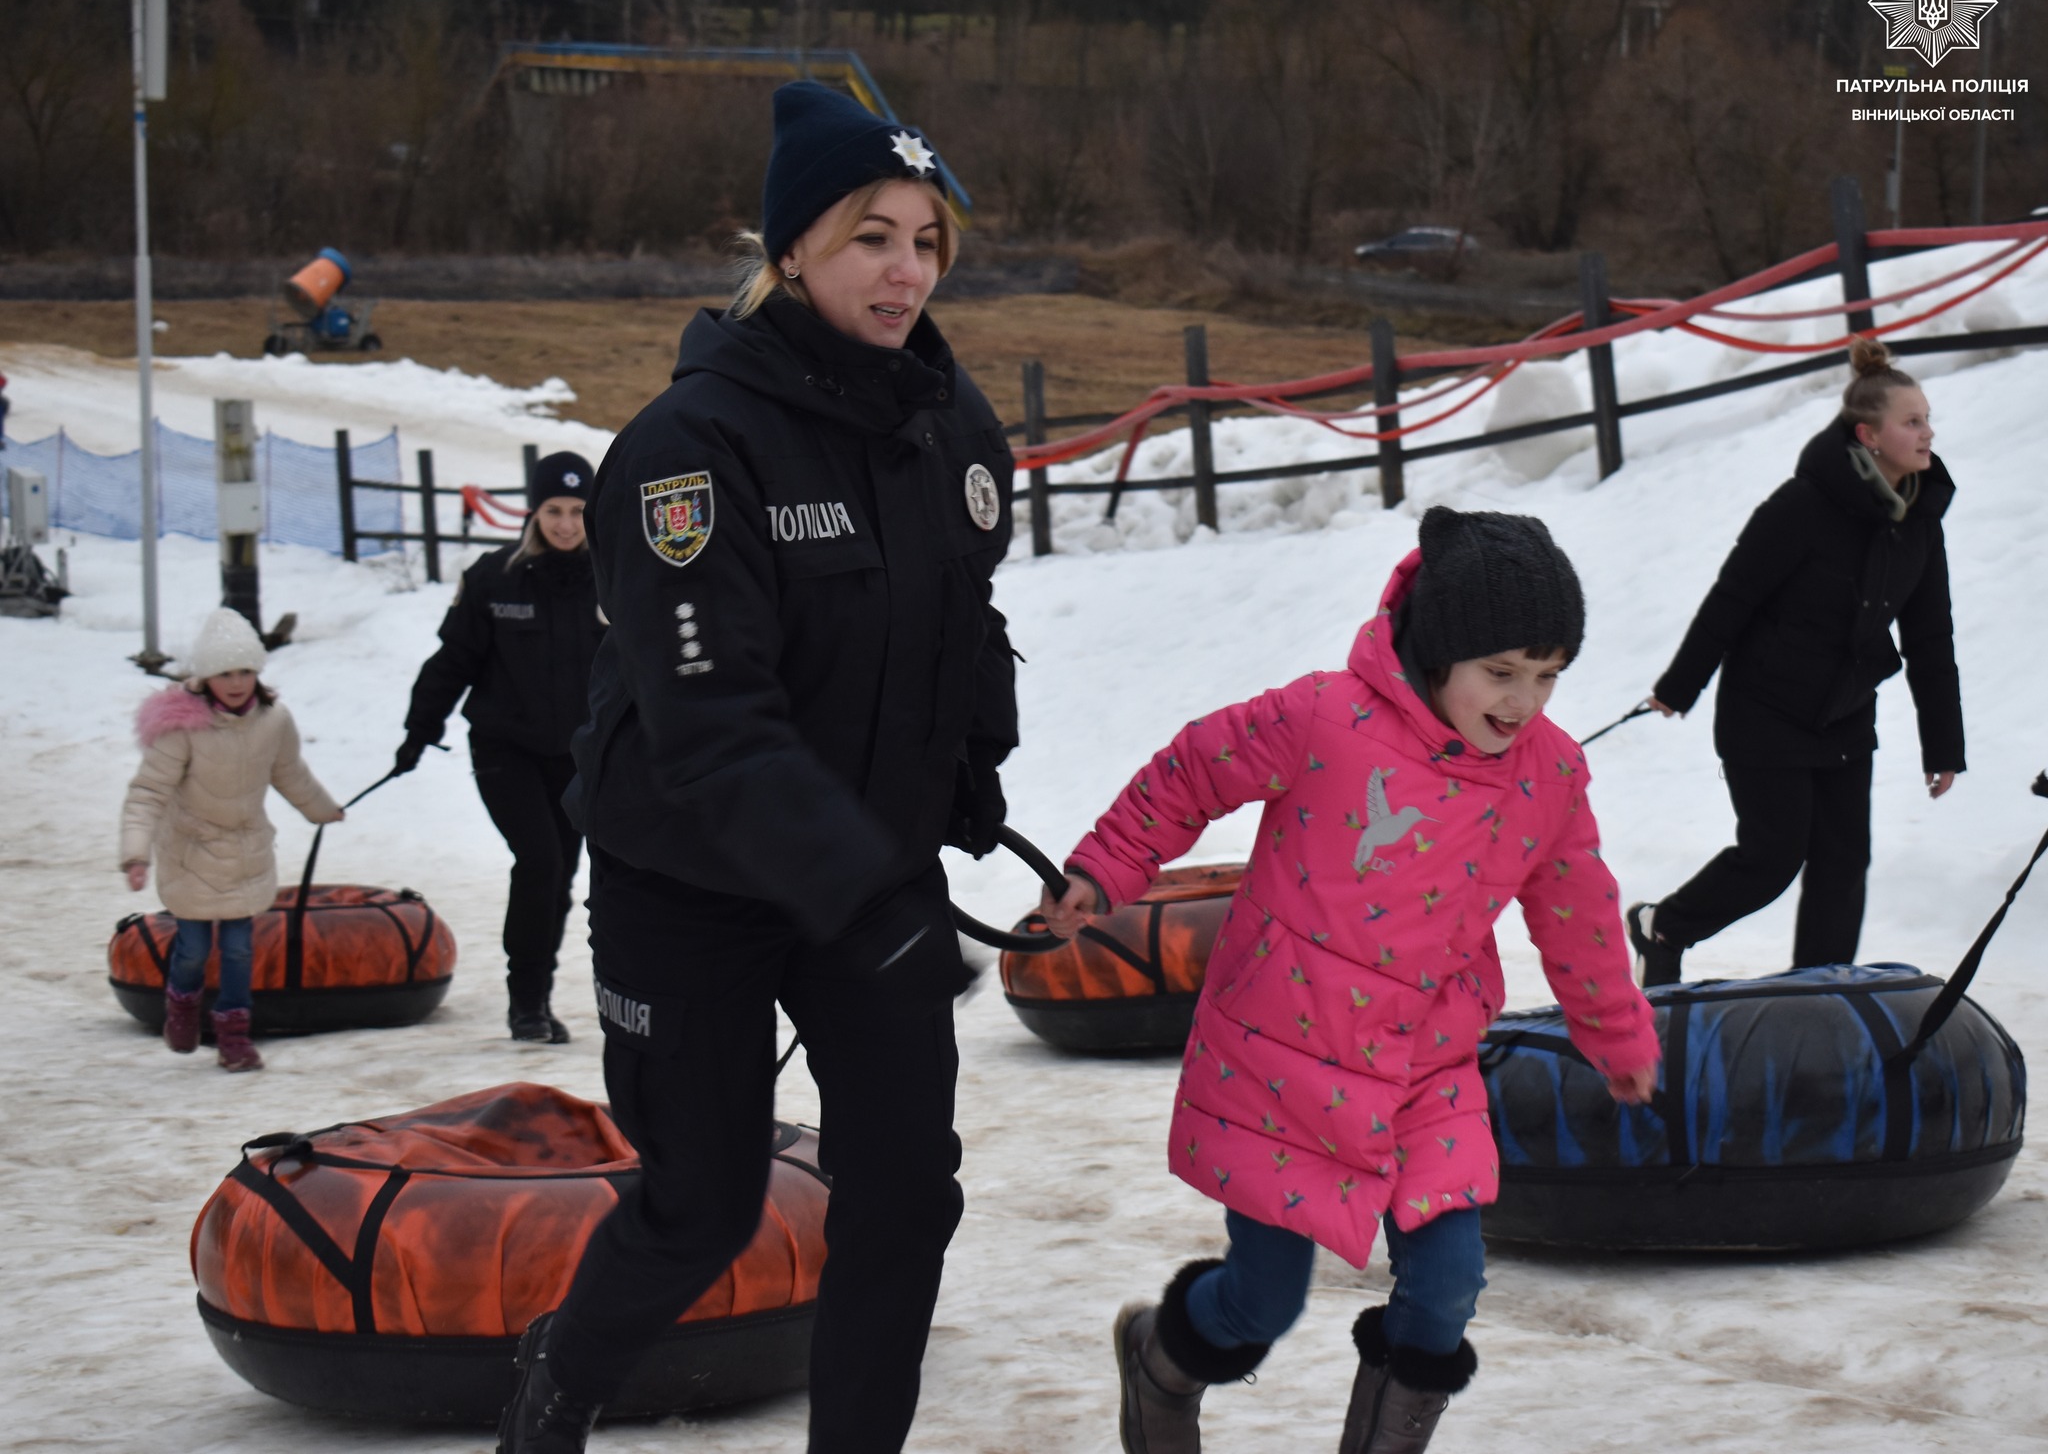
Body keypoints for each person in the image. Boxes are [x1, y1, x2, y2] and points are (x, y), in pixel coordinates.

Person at [494, 81, 1016, 1454]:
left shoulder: (952, 421)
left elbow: (968, 609)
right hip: (691, 879)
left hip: (871, 870)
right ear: (791, 251)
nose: (906, 270)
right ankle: (562, 1383)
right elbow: (708, 713)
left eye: (925, 240)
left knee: (905, 1193)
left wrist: (978, 772)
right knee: (705, 1204)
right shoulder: (689, 451)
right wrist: (856, 889)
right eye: (870, 238)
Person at [1040, 507, 1660, 1454]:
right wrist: (1103, 872)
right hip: (1281, 1057)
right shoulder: (1326, 718)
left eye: (1546, 676)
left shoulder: (1550, 776)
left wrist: (1616, 1034)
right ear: (1438, 652)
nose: (1523, 701)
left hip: (1428, 1063)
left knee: (1449, 1283)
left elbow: (1576, 909)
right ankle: (1161, 1364)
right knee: (1264, 1299)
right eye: (1500, 673)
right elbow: (1191, 773)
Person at [1628, 337, 1963, 987]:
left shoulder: (1920, 520)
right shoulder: (1802, 506)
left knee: (1844, 861)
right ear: (1869, 435)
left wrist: (1942, 746)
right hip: (1766, 708)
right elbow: (1734, 596)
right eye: (1912, 421)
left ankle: (1820, 991)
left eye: (1927, 418)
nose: (1928, 433)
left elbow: (1930, 638)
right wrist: (1679, 685)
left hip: (1842, 712)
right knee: (1774, 855)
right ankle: (1665, 925)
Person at [394, 452, 605, 1042]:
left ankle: (537, 996)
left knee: (560, 872)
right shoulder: (494, 578)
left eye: (577, 511)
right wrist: (418, 731)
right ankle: (527, 1006)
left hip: (578, 757)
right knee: (538, 861)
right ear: (533, 513)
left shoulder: (616, 578)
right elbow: (451, 663)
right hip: (505, 749)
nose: (566, 524)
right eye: (553, 511)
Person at [119, 607, 343, 1071]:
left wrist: (322, 808)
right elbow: (148, 792)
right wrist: (135, 853)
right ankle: (181, 1004)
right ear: (205, 678)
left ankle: (234, 1036)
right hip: (192, 852)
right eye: (225, 673)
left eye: (245, 671)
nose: (237, 682)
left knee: (240, 948)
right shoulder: (183, 727)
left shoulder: (273, 719)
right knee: (194, 948)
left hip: (246, 851)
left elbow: (290, 773)